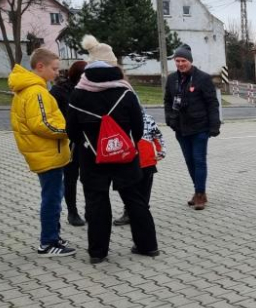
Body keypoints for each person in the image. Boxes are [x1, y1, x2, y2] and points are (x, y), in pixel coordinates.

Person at [67, 36, 159, 264]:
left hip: (92, 157)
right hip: (125, 156)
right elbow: (139, 128)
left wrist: (89, 144)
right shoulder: (126, 92)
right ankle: (148, 246)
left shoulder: (78, 93)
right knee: (135, 200)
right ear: (113, 64)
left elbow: (72, 131)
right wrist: (124, 143)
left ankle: (98, 252)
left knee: (96, 203)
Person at [8, 48, 76, 257]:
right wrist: (68, 132)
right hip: (47, 154)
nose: (57, 73)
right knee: (52, 198)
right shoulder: (36, 92)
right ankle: (48, 242)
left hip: (45, 152)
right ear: (40, 67)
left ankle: (53, 235)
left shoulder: (32, 89)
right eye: (54, 69)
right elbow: (42, 124)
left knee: (53, 195)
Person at [164, 44, 221, 211]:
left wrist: (214, 125)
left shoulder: (202, 78)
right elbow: (167, 100)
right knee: (189, 161)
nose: (181, 64)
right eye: (177, 61)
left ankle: (200, 194)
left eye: (184, 61)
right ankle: (199, 191)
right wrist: (169, 118)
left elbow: (212, 103)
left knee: (199, 160)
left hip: (200, 127)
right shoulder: (172, 79)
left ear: (190, 61)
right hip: (180, 128)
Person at [50, 60, 87, 226]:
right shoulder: (59, 91)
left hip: (87, 141)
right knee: (71, 177)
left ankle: (91, 208)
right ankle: (72, 212)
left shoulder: (88, 89)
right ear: (78, 76)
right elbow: (53, 115)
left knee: (88, 176)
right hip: (69, 141)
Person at [113, 110, 166, 227]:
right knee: (130, 190)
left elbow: (157, 135)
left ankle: (143, 215)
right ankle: (128, 213)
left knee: (144, 190)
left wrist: (161, 151)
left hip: (147, 162)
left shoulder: (147, 118)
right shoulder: (119, 117)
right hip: (128, 160)